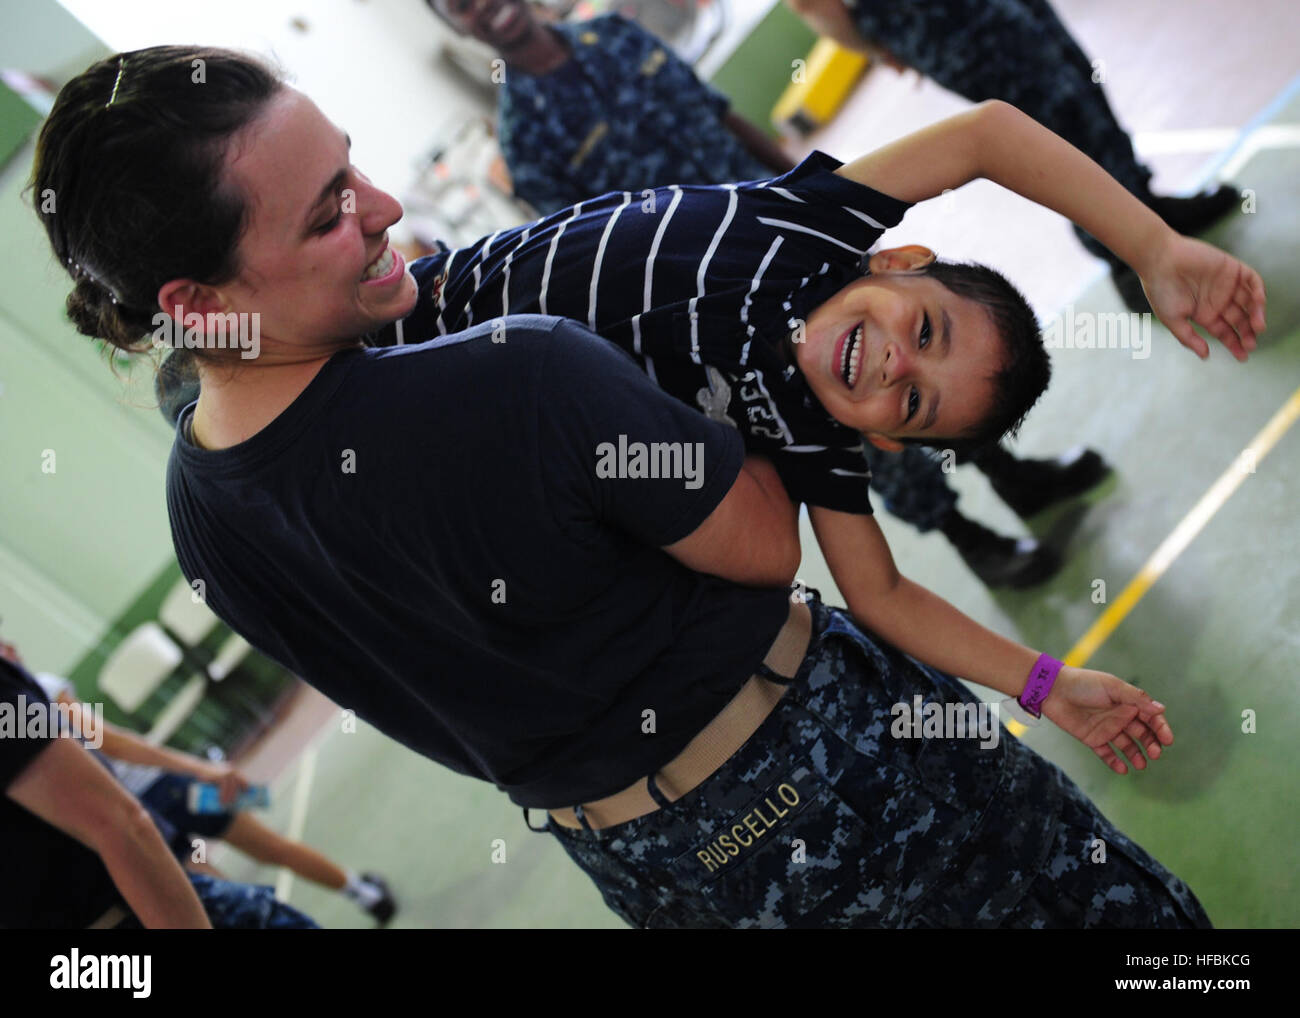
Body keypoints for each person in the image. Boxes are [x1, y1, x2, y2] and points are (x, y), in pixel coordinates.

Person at [31, 45, 1231, 927]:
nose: (388, 211)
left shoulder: (207, 514)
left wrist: (1041, 680)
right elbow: (772, 552)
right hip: (828, 775)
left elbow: (874, 589)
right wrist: (1151, 243)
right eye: (330, 210)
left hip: (650, 867)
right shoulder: (765, 254)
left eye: (913, 405)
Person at [420, 0, 1107, 589]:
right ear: (460, 27)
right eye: (460, 6)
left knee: (918, 365)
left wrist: (809, 186)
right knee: (855, 418)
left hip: (788, 237)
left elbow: (721, 117)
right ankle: (965, 535)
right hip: (727, 316)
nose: (483, 5)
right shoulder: (527, 138)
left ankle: (1011, 473)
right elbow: (592, 256)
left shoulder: (615, 34)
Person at [783, 0, 1241, 311]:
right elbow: (811, 3)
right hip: (928, 14)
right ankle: (1125, 254)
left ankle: (1145, 209)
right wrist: (880, 47)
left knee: (1078, 82)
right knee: (1052, 116)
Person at [1, 641, 397, 925]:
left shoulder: (35, 701)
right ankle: (361, 890)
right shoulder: (43, 693)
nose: (9, 645)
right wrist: (197, 767)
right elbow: (116, 744)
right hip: (166, 796)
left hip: (152, 809)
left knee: (223, 878)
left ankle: (361, 890)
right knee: (246, 867)